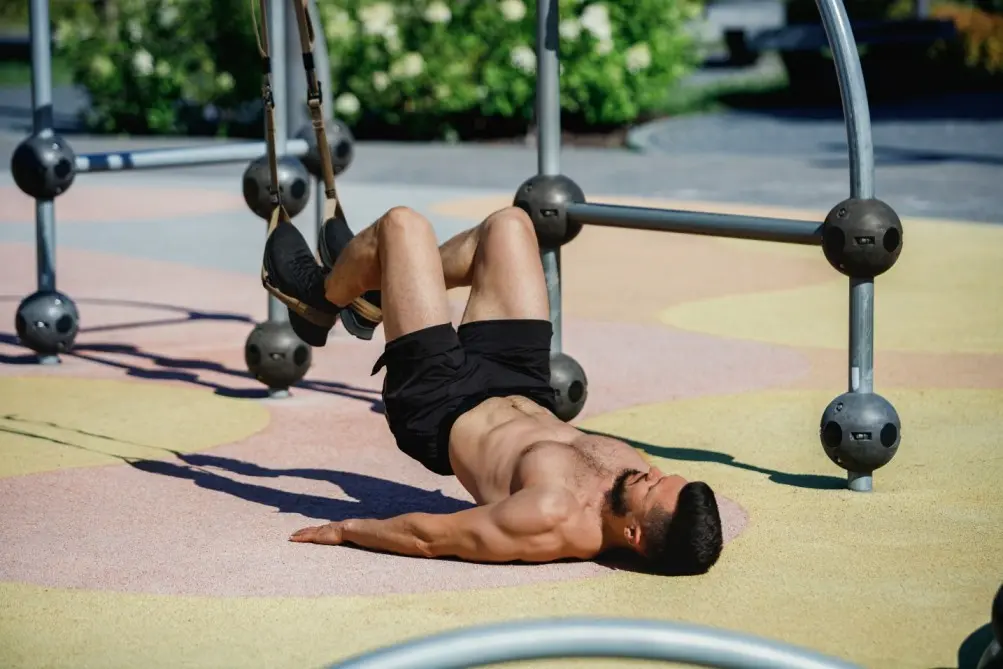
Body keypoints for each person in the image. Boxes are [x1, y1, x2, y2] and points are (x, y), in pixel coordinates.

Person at [260, 204, 723, 575]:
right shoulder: (630, 482)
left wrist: (347, 531)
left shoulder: (551, 520)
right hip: (519, 380)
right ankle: (379, 286)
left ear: (635, 536)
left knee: (402, 227)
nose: (655, 473)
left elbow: (432, 537)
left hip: (440, 403)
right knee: (510, 227)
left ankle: (320, 300)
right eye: (666, 477)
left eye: (656, 489)